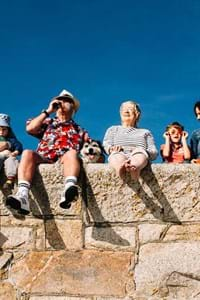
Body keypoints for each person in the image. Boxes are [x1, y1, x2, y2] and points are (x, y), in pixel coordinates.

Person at [6, 89, 89, 215]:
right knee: (28, 152)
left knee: (72, 153)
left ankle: (69, 189)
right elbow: (30, 128)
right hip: (45, 156)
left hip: (65, 159)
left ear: (73, 108)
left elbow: (91, 149)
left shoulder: (79, 130)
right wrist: (48, 111)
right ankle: (22, 195)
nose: (62, 103)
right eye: (60, 100)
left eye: (67, 101)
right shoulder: (48, 122)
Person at [103, 100, 158, 180]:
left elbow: (154, 151)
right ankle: (120, 167)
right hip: (119, 153)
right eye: (124, 109)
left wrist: (145, 152)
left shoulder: (145, 132)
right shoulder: (113, 129)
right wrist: (111, 149)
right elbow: (106, 143)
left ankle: (134, 167)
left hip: (138, 153)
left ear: (137, 114)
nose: (126, 110)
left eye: (130, 109)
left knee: (140, 155)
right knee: (115, 156)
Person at [0, 113, 23, 193]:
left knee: (12, 161)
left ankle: (10, 180)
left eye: (4, 129)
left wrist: (16, 152)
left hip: (8, 155)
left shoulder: (10, 139)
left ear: (8, 130)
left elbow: (18, 145)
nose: (1, 132)